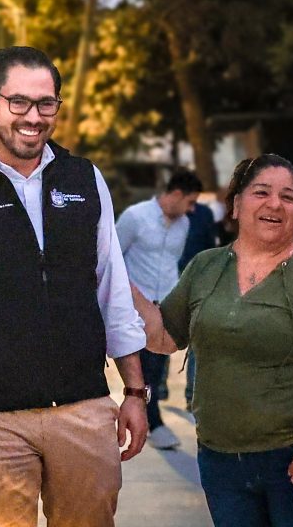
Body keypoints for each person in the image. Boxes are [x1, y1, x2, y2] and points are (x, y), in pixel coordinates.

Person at [0, 46, 150, 527]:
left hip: (84, 410)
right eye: (18, 103)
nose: (33, 118)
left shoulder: (84, 179)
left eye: (46, 104)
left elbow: (112, 292)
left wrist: (135, 393)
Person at [133, 154, 293, 527]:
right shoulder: (205, 267)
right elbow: (162, 336)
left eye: (288, 196)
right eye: (262, 192)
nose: (275, 204)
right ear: (236, 204)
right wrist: (115, 279)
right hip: (221, 463)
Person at [116, 170, 203, 450]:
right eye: (189, 202)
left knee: (157, 367)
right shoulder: (135, 217)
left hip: (165, 307)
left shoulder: (183, 225)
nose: (191, 209)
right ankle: (152, 421)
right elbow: (113, 257)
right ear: (176, 194)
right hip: (135, 307)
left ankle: (148, 415)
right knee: (142, 369)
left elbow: (172, 263)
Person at [179, 194, 221, 407]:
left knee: (197, 340)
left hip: (201, 283)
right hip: (173, 283)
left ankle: (192, 395)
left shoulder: (205, 214)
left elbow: (211, 246)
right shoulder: (168, 214)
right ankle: (159, 387)